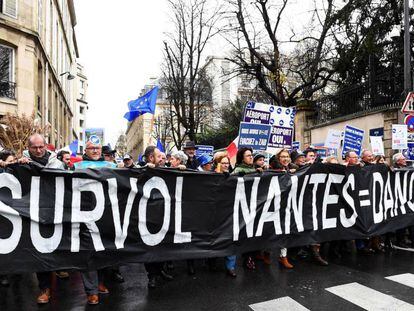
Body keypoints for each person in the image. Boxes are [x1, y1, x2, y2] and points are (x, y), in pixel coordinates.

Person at [142, 146, 174, 287]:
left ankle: (161, 270)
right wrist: (145, 169)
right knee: (149, 248)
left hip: (163, 215)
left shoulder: (166, 170)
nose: (163, 159)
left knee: (163, 246)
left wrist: (181, 167)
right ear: (150, 158)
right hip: (147, 217)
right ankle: (152, 276)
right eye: (159, 157)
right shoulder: (142, 169)